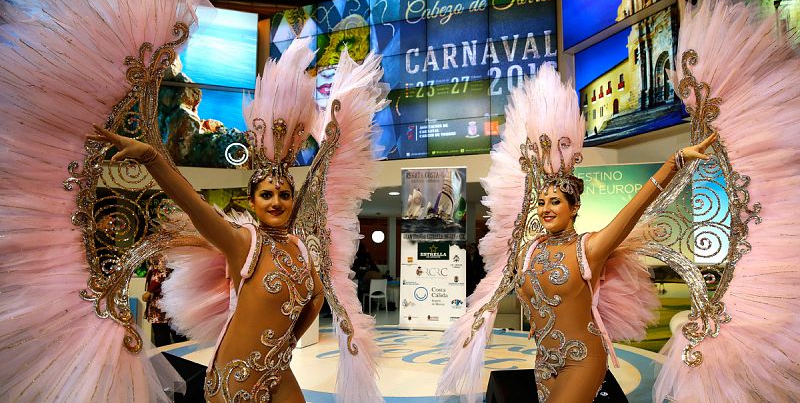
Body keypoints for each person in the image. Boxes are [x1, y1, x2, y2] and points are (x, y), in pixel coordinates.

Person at [88, 38, 388, 402]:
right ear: (252, 200)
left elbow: (314, 299)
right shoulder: (243, 242)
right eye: (267, 194)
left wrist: (285, 346)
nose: (276, 202)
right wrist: (152, 158)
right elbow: (195, 205)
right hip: (235, 380)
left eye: (284, 194)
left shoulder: (302, 249)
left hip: (278, 372)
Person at [438, 64, 715, 402]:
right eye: (541, 202)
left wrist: (673, 163)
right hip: (544, 362)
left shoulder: (591, 248)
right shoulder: (529, 250)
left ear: (574, 208)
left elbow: (633, 211)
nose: (545, 208)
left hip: (582, 360)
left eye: (555, 201)